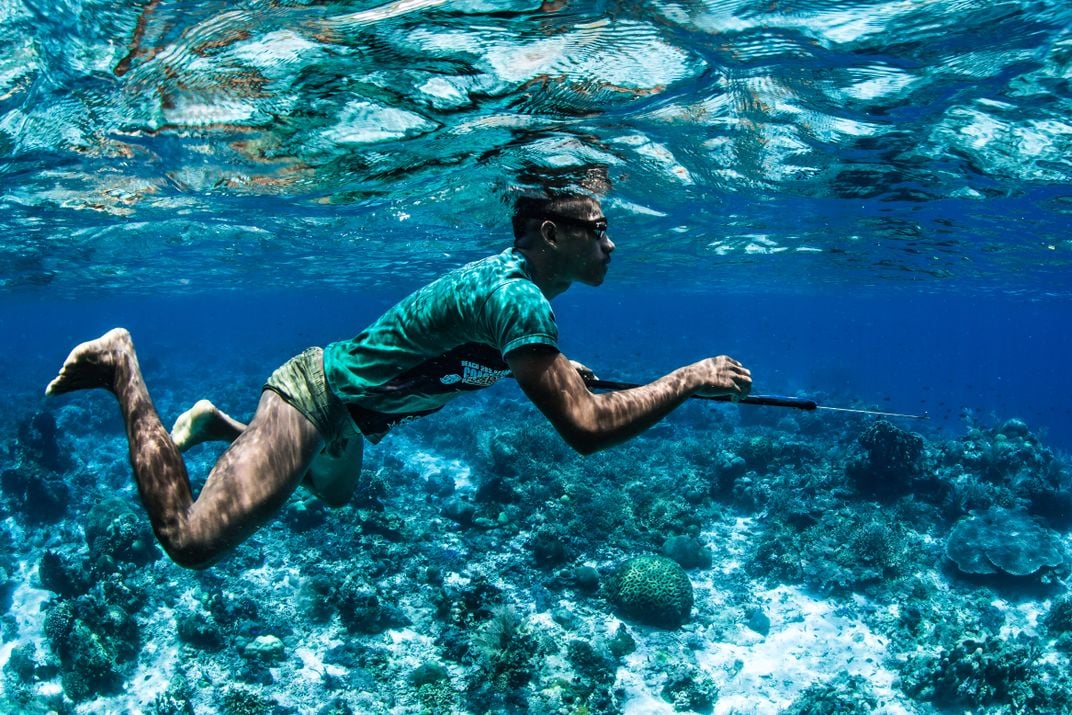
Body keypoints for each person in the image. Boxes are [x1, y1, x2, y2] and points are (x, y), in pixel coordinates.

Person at [45, 194, 752, 569]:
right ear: (550, 233)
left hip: (352, 420)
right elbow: (587, 430)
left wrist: (553, 370)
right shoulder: (520, 298)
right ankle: (122, 366)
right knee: (191, 540)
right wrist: (686, 378)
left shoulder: (518, 300)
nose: (612, 242)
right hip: (314, 397)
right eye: (598, 228)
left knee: (333, 496)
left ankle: (218, 425)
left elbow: (498, 350)